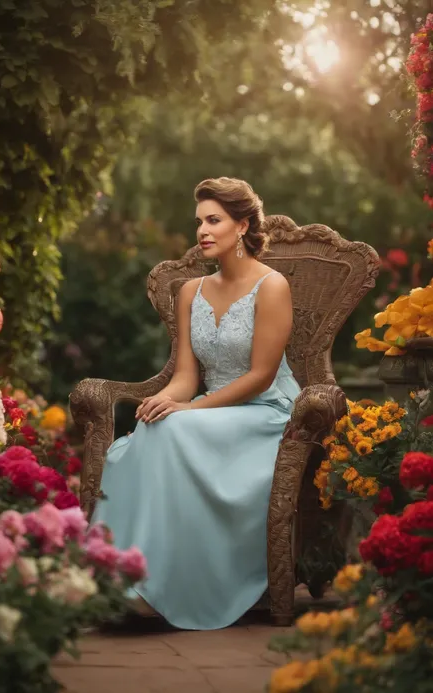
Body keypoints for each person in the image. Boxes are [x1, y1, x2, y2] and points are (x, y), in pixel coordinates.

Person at [92, 177, 300, 630]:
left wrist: (189, 411)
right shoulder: (190, 291)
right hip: (212, 406)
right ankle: (122, 580)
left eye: (214, 220)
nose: (202, 231)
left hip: (267, 412)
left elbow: (261, 376)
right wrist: (161, 402)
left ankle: (162, 587)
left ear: (242, 225)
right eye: (199, 222)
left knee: (177, 427)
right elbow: (186, 377)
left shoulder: (273, 286)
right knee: (150, 430)